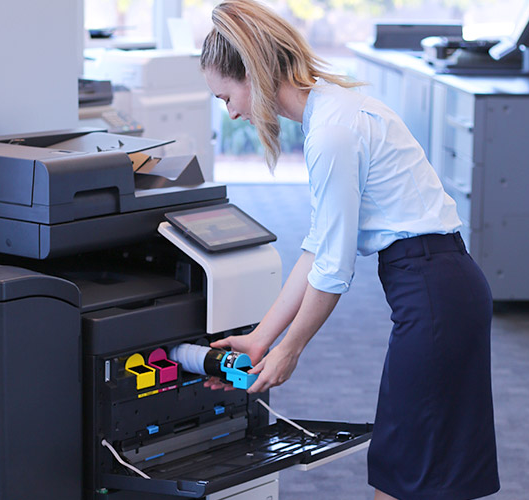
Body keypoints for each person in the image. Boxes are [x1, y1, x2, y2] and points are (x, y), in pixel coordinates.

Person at [199, 1, 500, 499]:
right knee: (427, 472)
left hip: (432, 295)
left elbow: (334, 268)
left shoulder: (332, 132)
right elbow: (318, 246)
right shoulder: (333, 108)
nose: (229, 111)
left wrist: (290, 349)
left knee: (405, 472)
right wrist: (260, 338)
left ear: (251, 72)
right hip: (443, 288)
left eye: (225, 95)